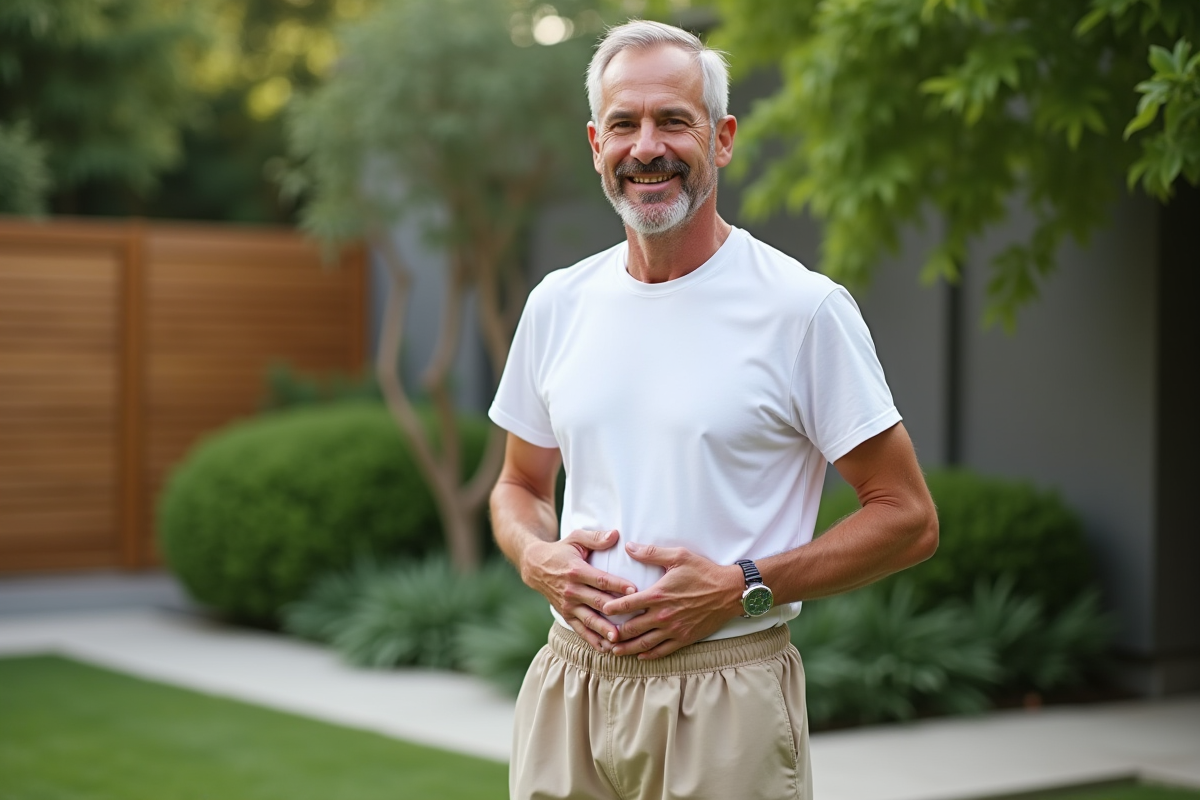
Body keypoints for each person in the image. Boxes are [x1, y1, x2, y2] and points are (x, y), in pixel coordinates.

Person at [488, 19, 938, 800]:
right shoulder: (558, 303)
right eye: (624, 124)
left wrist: (743, 585)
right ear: (597, 143)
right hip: (570, 683)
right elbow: (518, 486)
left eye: (674, 121)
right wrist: (536, 558)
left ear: (722, 138)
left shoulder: (802, 310)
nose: (647, 147)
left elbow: (908, 516)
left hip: (725, 692)